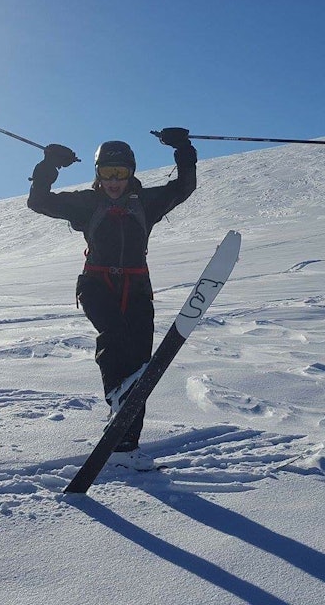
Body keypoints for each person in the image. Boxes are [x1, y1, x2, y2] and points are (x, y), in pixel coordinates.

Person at [27, 128, 197, 466]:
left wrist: (183, 148)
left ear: (131, 172)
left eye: (120, 173)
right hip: (95, 284)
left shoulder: (147, 202)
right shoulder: (88, 204)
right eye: (107, 173)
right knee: (114, 337)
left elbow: (184, 187)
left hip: (136, 288)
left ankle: (125, 446)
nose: (114, 181)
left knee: (139, 366)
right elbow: (39, 201)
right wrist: (49, 165)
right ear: (98, 174)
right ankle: (115, 394)